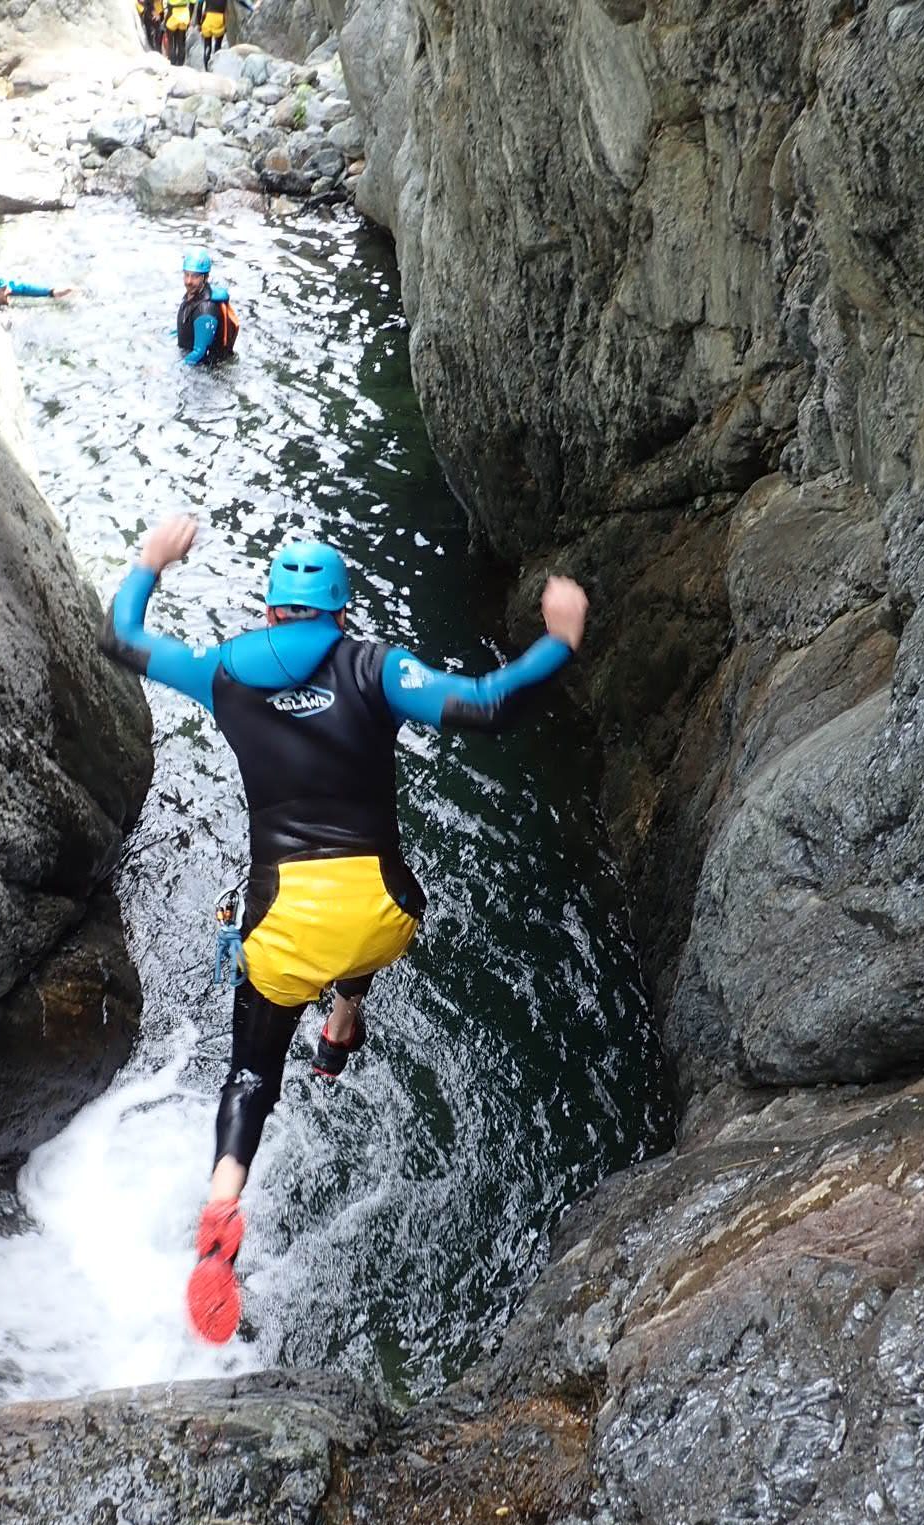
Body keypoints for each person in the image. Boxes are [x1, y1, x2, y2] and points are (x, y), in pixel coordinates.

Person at [104, 516, 589, 1345]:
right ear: (340, 612)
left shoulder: (221, 673)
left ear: (270, 612)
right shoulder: (376, 668)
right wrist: (560, 642)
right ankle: (344, 1022)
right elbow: (487, 706)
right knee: (364, 930)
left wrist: (152, 561)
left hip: (285, 920)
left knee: (251, 1074)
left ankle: (222, 1209)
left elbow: (123, 637)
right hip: (382, 912)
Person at [177, 248, 239, 367]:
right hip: (189, 359)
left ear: (205, 278)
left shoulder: (205, 311)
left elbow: (199, 353)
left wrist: (170, 370)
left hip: (207, 374)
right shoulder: (193, 296)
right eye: (186, 274)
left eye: (195, 276)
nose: (189, 281)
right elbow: (187, 325)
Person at [0, 277, 74, 309]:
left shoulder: (10, 289)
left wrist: (51, 292)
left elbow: (24, 288)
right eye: (4, 289)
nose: (9, 291)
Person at [194, 0, 227, 68]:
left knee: (207, 45)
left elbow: (199, 6)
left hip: (208, 18)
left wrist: (198, 23)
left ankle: (206, 68)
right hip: (220, 18)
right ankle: (216, 66)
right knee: (218, 45)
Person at [162, 0, 192, 66]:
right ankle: (181, 63)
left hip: (173, 14)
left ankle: (172, 62)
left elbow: (168, 5)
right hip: (184, 15)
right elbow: (193, 2)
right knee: (181, 41)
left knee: (171, 42)